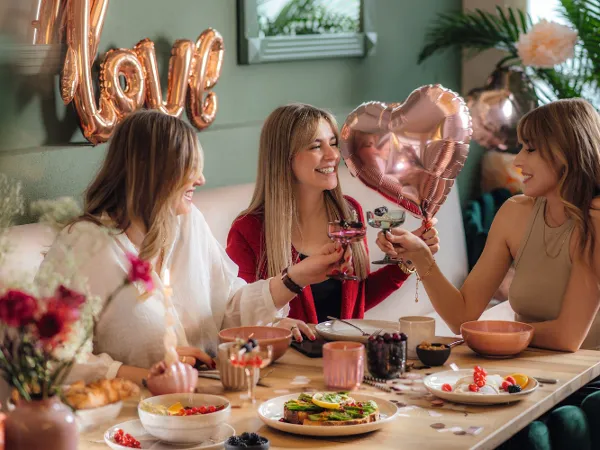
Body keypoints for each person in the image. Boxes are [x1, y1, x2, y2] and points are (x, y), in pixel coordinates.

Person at [36, 110, 350, 385]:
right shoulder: (84, 246)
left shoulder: (188, 223)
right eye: (190, 168)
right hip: (131, 417)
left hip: (203, 402)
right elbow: (52, 359)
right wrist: (146, 376)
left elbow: (228, 310)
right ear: (153, 173)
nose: (200, 179)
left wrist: (295, 278)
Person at [377, 98, 600, 352]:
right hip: (525, 368)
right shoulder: (514, 214)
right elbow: (462, 316)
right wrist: (421, 256)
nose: (517, 161)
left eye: (530, 149)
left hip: (587, 381)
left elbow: (567, 338)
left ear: (565, 154)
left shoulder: (596, 222)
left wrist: (489, 331)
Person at [226, 103, 440, 342]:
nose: (333, 155)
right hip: (287, 367)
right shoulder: (247, 230)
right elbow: (237, 318)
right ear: (284, 158)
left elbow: (357, 300)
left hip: (346, 357)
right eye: (317, 146)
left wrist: (406, 261)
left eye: (334, 143)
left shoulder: (349, 213)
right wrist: (274, 323)